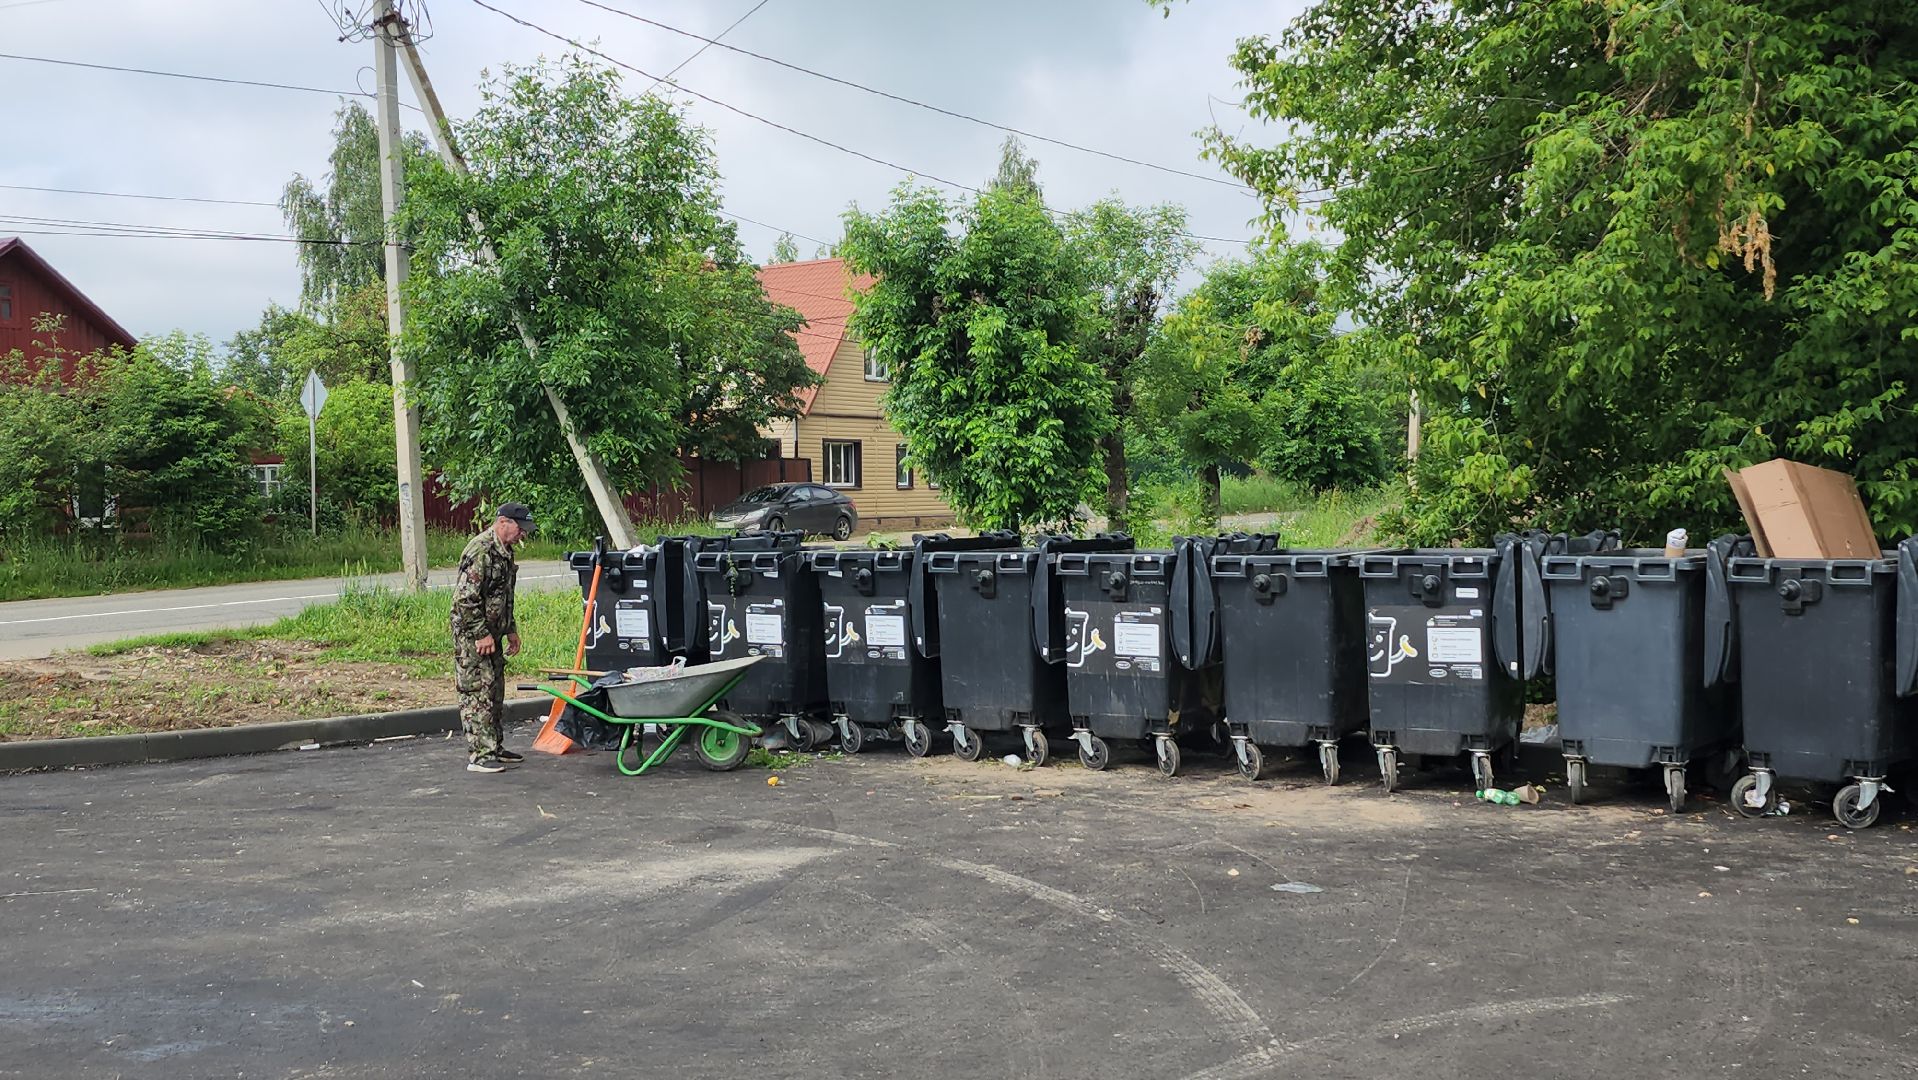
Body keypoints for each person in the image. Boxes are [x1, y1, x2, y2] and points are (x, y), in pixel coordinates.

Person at [452, 502, 535, 773]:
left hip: (493, 634)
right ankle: (479, 755)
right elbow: (465, 599)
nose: (522, 535)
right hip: (473, 636)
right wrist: (480, 634)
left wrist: (510, 629)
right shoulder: (481, 550)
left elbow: (503, 596)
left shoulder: (505, 551)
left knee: (495, 691)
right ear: (502, 522)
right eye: (519, 528)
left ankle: (494, 746)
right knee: (477, 692)